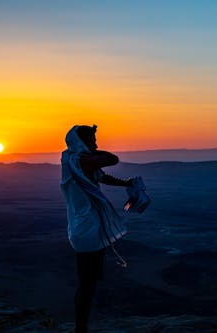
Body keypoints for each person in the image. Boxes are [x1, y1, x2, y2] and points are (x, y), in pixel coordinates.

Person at [60, 125, 131, 333]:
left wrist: (125, 183)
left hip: (90, 228)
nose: (95, 145)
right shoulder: (79, 160)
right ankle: (80, 328)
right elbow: (112, 159)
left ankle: (81, 326)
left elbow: (102, 176)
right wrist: (88, 151)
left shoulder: (74, 161)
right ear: (80, 143)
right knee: (87, 283)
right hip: (86, 231)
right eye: (91, 141)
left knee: (88, 281)